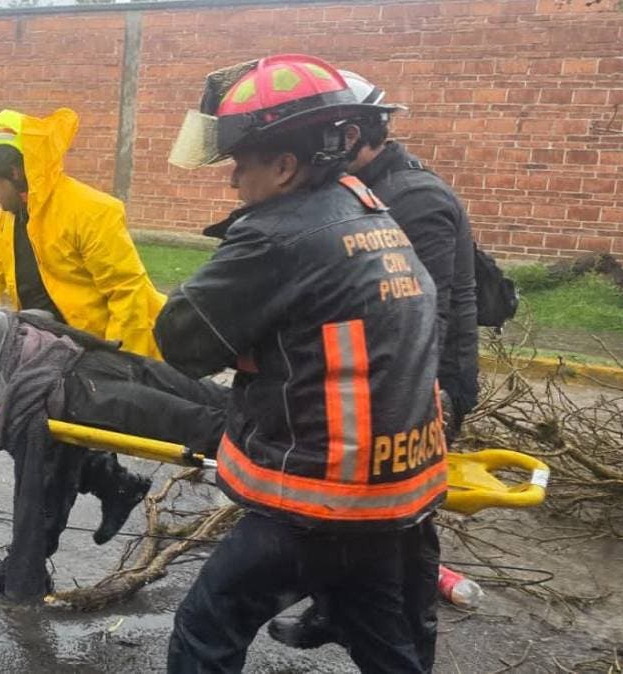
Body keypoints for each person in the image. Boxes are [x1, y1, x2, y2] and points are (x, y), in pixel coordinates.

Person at [156, 55, 446, 673]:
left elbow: (182, 342)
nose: (233, 179)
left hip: (322, 497)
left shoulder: (279, 235)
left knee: (207, 627)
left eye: (242, 161)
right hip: (386, 493)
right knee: (380, 636)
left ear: (285, 165)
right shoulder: (364, 206)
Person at [266, 70, 479, 672]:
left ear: (356, 134)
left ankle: (414, 647)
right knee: (353, 514)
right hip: (384, 384)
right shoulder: (362, 191)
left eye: (327, 136)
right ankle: (337, 612)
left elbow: (422, 313)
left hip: (426, 387)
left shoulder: (416, 199)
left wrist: (427, 398)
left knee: (405, 529)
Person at [0, 309, 227, 596]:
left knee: (195, 392)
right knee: (188, 420)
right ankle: (262, 440)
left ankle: (118, 487)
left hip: (84, 367)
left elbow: (36, 315)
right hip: (76, 385)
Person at [0, 108, 165, 359]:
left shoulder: (91, 210)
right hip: (52, 352)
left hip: (101, 353)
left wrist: (119, 365)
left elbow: (128, 292)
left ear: (14, 172)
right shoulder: (10, 217)